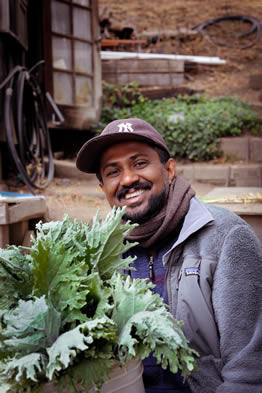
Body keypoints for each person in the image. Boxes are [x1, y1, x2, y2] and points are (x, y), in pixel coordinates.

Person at [76, 118, 262, 393]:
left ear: (169, 169)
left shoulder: (225, 237)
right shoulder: (99, 254)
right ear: (103, 188)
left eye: (140, 163)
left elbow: (248, 373)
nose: (128, 179)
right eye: (113, 172)